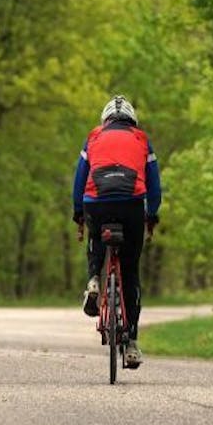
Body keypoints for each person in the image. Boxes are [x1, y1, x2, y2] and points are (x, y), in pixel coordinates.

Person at [72, 95, 161, 369]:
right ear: (132, 120)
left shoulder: (94, 137)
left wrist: (78, 214)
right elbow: (155, 186)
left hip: (96, 202)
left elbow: (79, 179)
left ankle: (93, 280)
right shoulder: (142, 140)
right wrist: (151, 216)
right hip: (132, 204)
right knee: (130, 271)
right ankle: (131, 343)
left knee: (97, 233)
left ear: (105, 120)